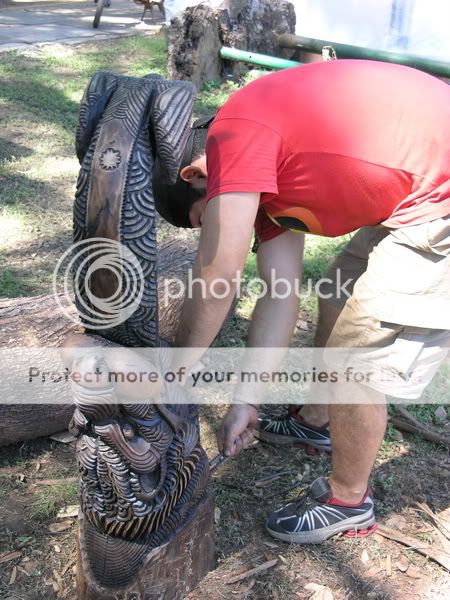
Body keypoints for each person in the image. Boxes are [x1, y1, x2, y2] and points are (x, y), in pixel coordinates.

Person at [152, 59, 450, 544]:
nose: (216, 227)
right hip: (422, 176)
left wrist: (175, 370)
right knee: (338, 297)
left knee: (357, 356)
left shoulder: (233, 140)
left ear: (196, 174)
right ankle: (318, 421)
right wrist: (246, 399)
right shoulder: (261, 183)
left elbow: (217, 279)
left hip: (438, 191)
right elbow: (280, 294)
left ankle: (348, 502)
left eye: (203, 218)